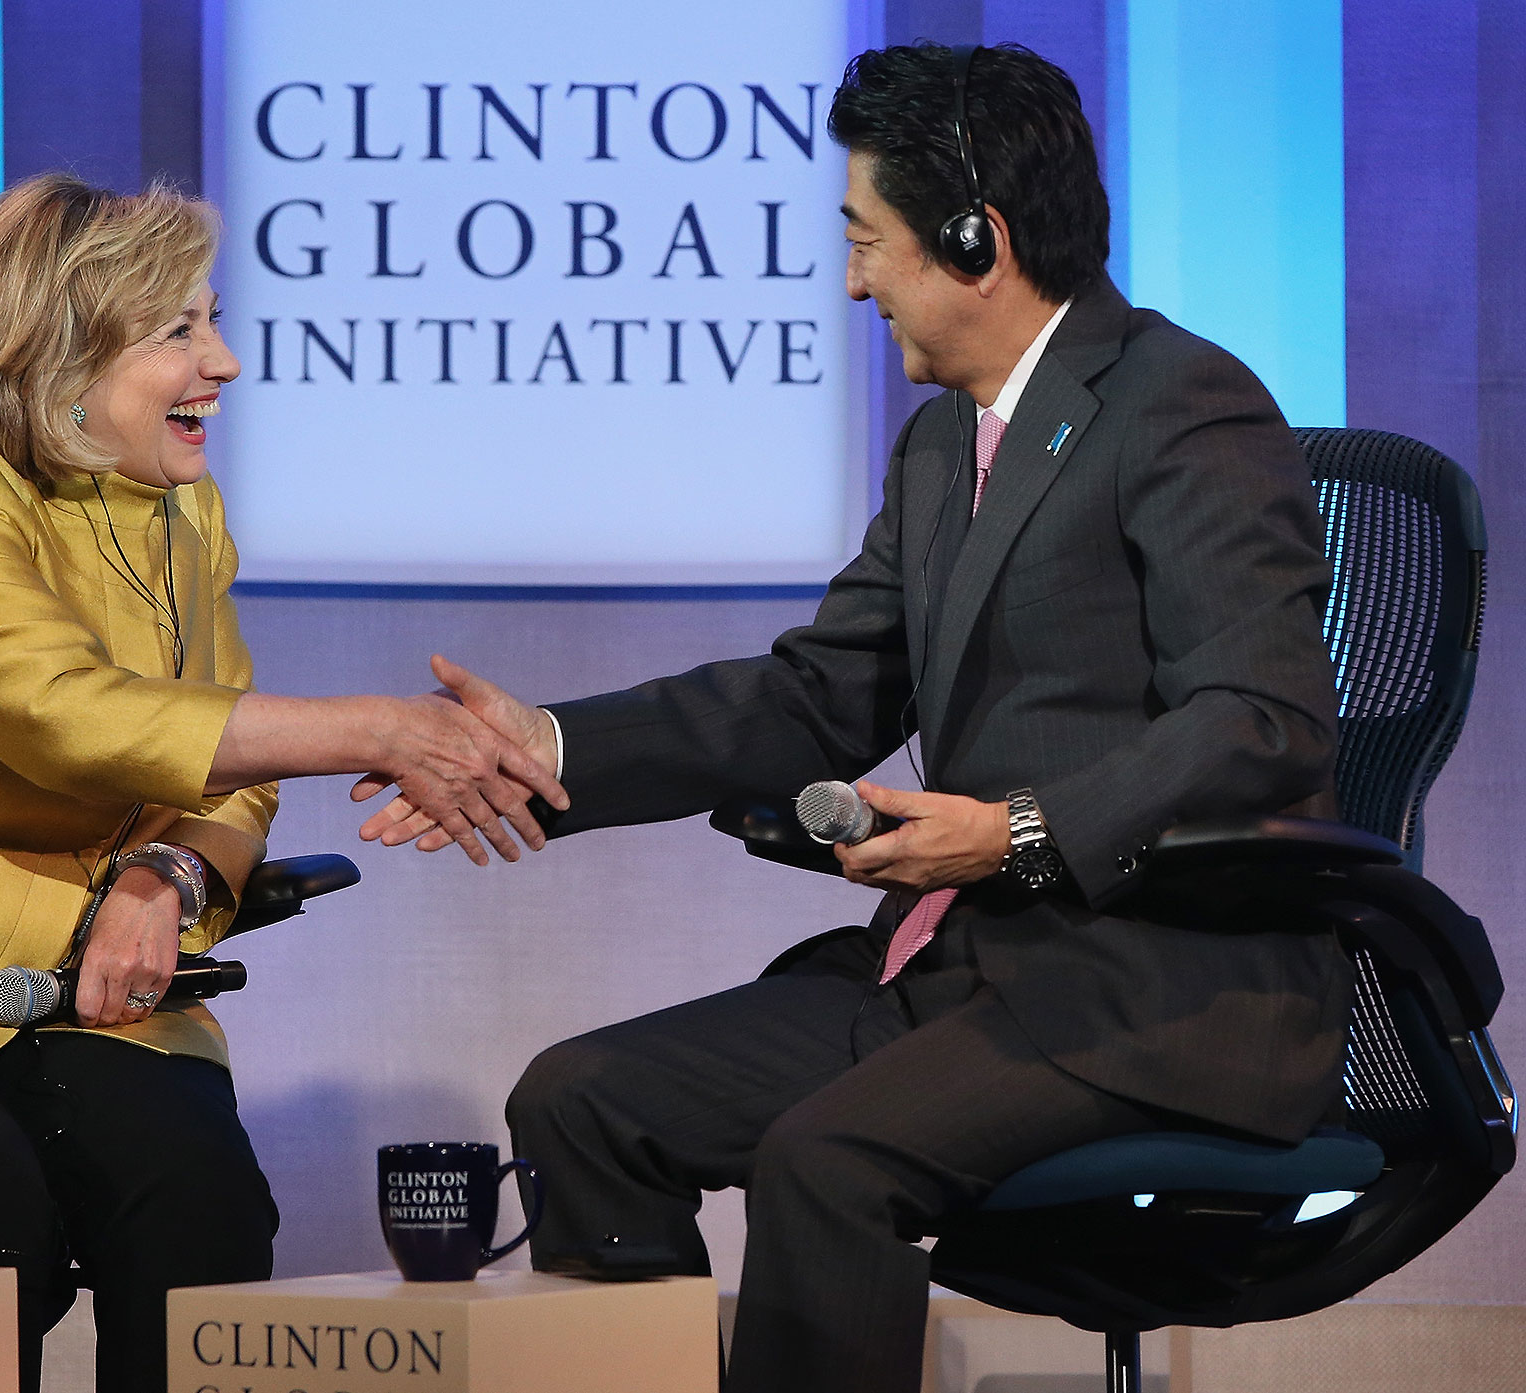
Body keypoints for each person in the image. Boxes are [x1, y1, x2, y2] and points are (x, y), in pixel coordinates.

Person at [362, 43, 1347, 1393]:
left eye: (865, 239)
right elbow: (817, 695)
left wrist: (1017, 834)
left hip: (1153, 990)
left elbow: (1263, 718)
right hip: (958, 980)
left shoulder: (1184, 408)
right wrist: (550, 746)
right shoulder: (946, 444)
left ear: (973, 239)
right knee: (582, 1099)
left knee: (826, 1161)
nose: (850, 279)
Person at [0, 173, 565, 1393]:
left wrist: (163, 873)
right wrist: (381, 725)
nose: (222, 361)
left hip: (60, 990)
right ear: (54, 350)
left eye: (212, 320)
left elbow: (229, 779)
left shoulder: (180, 512)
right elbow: (69, 717)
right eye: (176, 330)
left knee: (197, 1207)